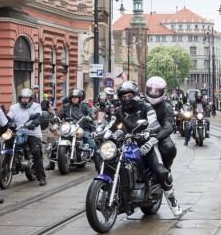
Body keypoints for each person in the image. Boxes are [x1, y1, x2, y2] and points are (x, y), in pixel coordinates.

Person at [108, 81, 182, 217]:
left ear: (135, 95)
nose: (126, 99)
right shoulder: (119, 110)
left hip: (146, 143)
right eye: (123, 97)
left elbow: (154, 123)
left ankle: (172, 200)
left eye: (129, 96)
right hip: (127, 143)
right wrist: (102, 132)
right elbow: (111, 124)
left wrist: (148, 133)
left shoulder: (146, 106)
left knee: (160, 170)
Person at [8, 88, 47, 186]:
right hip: (17, 132)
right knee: (7, 144)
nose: (24, 100)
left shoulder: (36, 106)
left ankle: (42, 177)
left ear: (30, 99)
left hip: (32, 133)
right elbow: (9, 117)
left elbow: (38, 116)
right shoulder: (14, 107)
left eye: (26, 98)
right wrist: (6, 122)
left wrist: (34, 124)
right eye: (23, 98)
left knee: (35, 151)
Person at [50, 88, 96, 171]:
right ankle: (51, 164)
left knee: (90, 141)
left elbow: (90, 112)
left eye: (76, 98)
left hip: (81, 127)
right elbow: (60, 115)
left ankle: (98, 163)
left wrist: (91, 116)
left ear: (80, 98)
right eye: (73, 98)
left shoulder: (85, 106)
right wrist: (56, 119)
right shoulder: (66, 106)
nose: (74, 99)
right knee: (55, 143)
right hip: (68, 128)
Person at [144, 76, 178, 171]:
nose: (153, 93)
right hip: (141, 135)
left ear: (163, 92)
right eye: (151, 90)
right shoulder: (140, 104)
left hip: (160, 136)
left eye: (157, 91)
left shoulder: (167, 106)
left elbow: (168, 127)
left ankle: (167, 168)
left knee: (170, 148)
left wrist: (156, 138)